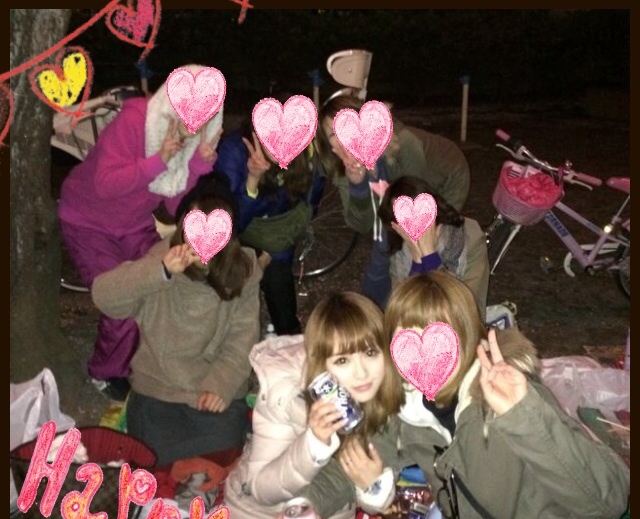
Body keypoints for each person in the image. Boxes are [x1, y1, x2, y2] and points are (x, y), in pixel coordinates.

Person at [277, 271, 630, 519]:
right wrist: (305, 507)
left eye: (438, 337)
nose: (426, 358)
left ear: (467, 335)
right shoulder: (411, 413)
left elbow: (611, 499)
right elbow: (349, 465)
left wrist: (525, 416)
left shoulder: (511, 403)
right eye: (407, 339)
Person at [121, 291, 404, 519]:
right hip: (259, 514)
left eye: (370, 353)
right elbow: (263, 489)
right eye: (342, 360)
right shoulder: (286, 393)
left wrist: (372, 484)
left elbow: (371, 493)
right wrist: (313, 444)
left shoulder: (388, 403)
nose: (361, 373)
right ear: (320, 364)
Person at [58, 64, 223, 400]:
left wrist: (197, 166)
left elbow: (174, 206)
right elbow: (105, 185)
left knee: (167, 286)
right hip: (88, 221)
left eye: (205, 114)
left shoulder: (190, 139)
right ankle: (105, 371)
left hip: (133, 224)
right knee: (122, 298)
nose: (194, 121)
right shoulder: (136, 121)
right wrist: (159, 159)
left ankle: (149, 363)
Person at [91, 175, 260, 466]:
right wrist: (159, 272)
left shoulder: (243, 270)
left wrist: (219, 385)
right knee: (158, 460)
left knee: (221, 454)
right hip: (160, 390)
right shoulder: (161, 259)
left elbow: (242, 340)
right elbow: (104, 297)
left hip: (211, 391)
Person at [316, 94, 470, 309]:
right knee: (387, 248)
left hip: (445, 179)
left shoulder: (403, 144)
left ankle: (439, 300)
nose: (344, 137)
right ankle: (383, 310)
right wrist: (358, 184)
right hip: (397, 194)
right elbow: (361, 225)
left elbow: (417, 197)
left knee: (426, 243)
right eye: (334, 133)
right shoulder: (343, 168)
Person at [214, 120, 325, 335]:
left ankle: (287, 334)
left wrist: (307, 212)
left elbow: (316, 183)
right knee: (260, 280)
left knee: (279, 275)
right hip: (246, 230)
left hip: (282, 227)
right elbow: (231, 224)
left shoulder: (304, 147)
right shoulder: (234, 152)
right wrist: (253, 181)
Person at [377, 175, 489, 316]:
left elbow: (461, 308)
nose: (414, 223)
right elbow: (403, 309)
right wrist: (417, 261)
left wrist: (429, 255)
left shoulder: (470, 237)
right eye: (403, 216)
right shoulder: (401, 249)